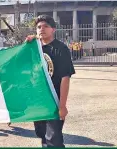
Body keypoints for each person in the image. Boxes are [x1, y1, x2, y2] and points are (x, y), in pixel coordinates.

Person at [26, 15, 75, 147]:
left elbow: (65, 78)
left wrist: (62, 106)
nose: (42, 29)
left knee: (54, 140)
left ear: (53, 29)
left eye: (46, 26)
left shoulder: (61, 49)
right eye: (39, 27)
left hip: (54, 101)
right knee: (42, 135)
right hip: (39, 101)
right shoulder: (34, 48)